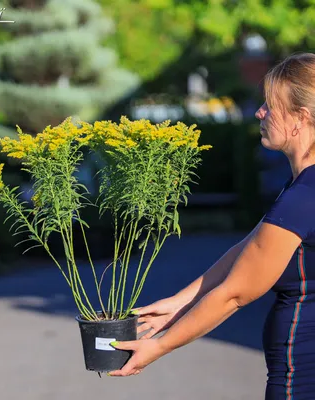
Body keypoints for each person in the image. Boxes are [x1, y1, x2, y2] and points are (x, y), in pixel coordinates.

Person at [107, 52, 315, 399]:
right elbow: (247, 250)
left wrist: (158, 347)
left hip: (301, 379)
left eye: (269, 106)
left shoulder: (303, 197)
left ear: (301, 118)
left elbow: (235, 293)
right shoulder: (303, 188)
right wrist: (178, 303)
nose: (260, 113)